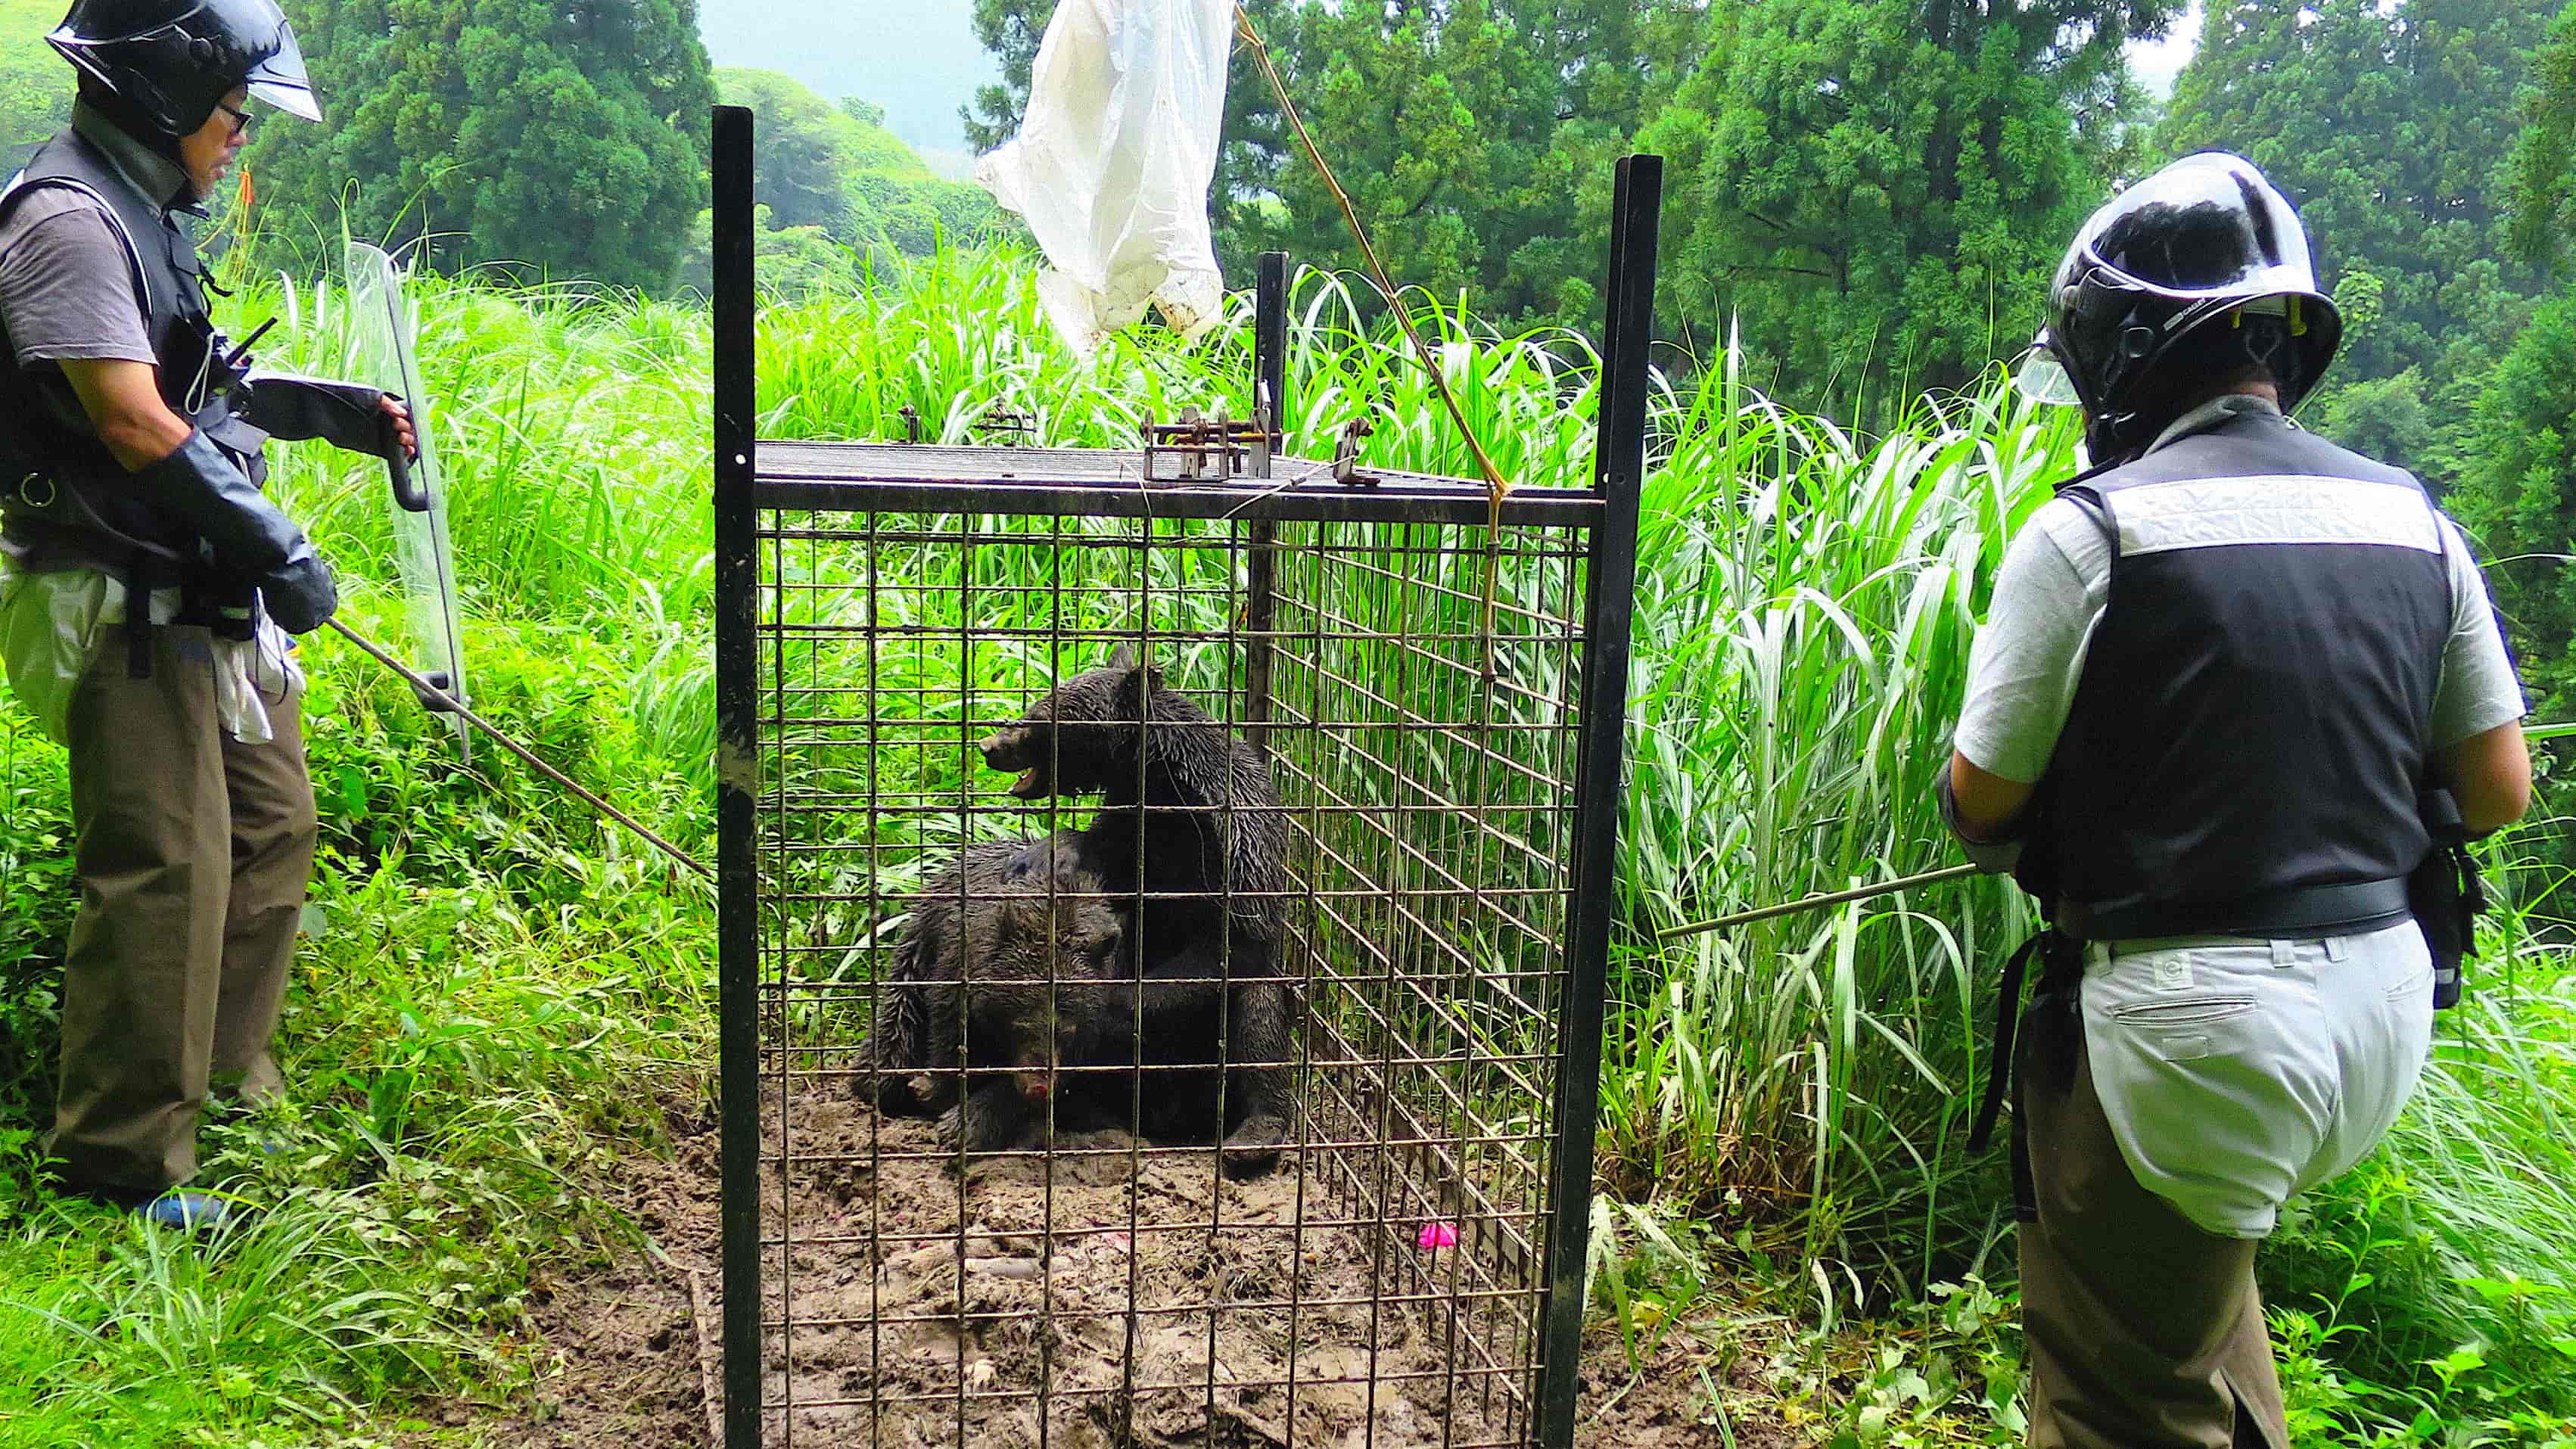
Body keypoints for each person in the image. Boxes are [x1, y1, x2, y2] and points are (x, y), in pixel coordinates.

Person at [1940, 151, 2531, 1448]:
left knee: (2119, 1398)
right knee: (2195, 1302)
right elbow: (2497, 789)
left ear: (2122, 349)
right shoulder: (2413, 518)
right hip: (2376, 1016)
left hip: (2197, 1034)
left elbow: (1983, 797)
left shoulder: (2092, 531)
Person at [0, 0, 415, 1230]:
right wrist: (273, 539)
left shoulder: (146, 212)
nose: (242, 133)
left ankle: (224, 1097)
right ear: (166, 93)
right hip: (121, 596)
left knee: (271, 833)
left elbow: (186, 376)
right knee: (164, 871)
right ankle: (128, 1170)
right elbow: (127, 416)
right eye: (233, 110)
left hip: (196, 591)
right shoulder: (68, 221)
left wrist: (312, 408)